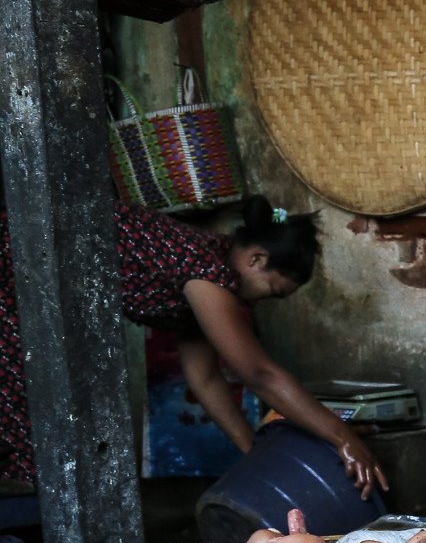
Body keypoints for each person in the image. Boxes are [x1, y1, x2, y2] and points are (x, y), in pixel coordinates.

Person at [0, 197, 386, 498]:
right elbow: (261, 375)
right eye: (271, 291)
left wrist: (256, 456)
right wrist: (343, 437)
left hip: (34, 289)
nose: (261, 303)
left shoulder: (207, 272)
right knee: (38, 419)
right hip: (18, 275)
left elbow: (205, 379)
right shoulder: (209, 271)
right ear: (256, 259)